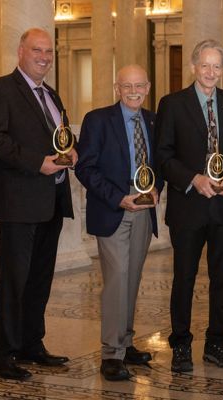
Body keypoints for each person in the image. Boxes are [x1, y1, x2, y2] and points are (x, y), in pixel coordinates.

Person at [0, 28, 77, 380]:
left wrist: (73, 149)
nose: (44, 57)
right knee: (14, 281)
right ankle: (3, 355)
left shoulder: (50, 92)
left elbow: (61, 134)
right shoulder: (1, 89)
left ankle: (31, 345)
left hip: (51, 200)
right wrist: (38, 162)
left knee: (39, 279)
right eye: (37, 50)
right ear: (20, 51)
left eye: (49, 52)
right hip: (19, 203)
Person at [156, 39, 223, 373]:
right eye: (205, 65)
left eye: (217, 66)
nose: (211, 72)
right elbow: (163, 155)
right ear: (194, 67)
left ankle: (217, 342)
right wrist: (194, 178)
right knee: (184, 276)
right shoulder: (172, 104)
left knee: (222, 277)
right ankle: (181, 344)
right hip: (188, 205)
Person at [75, 64, 161, 381]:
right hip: (114, 207)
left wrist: (156, 188)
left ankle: (125, 341)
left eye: (139, 85)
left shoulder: (153, 120)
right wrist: (117, 197)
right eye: (127, 86)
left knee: (133, 277)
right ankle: (111, 354)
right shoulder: (97, 120)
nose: (134, 91)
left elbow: (158, 164)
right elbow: (85, 168)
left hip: (143, 208)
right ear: (117, 88)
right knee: (117, 278)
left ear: (148, 87)